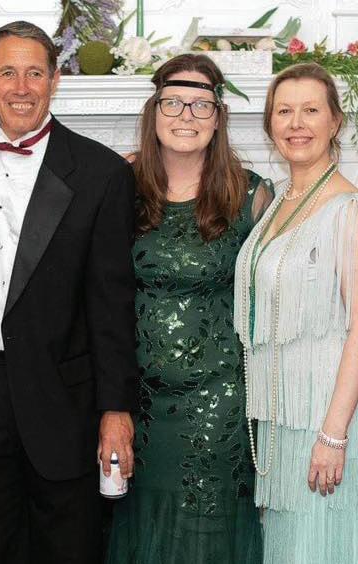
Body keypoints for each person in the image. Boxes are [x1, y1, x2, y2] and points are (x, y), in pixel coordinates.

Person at [0, 21, 140, 564]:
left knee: (68, 548)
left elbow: (112, 304)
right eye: (8, 73)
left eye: (35, 73)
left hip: (63, 398)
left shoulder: (101, 173)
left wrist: (116, 411)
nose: (21, 88)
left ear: (55, 81)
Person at [105, 53, 265, 564]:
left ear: (218, 117)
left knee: (203, 540)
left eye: (201, 105)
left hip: (218, 406)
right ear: (154, 112)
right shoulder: (119, 186)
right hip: (137, 406)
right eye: (173, 103)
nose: (186, 116)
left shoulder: (251, 194)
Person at [232, 62, 358, 563]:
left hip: (330, 415)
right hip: (286, 416)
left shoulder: (349, 210)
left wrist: (333, 434)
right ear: (270, 124)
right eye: (284, 111)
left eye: (310, 110)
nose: (296, 123)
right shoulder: (280, 200)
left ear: (335, 121)